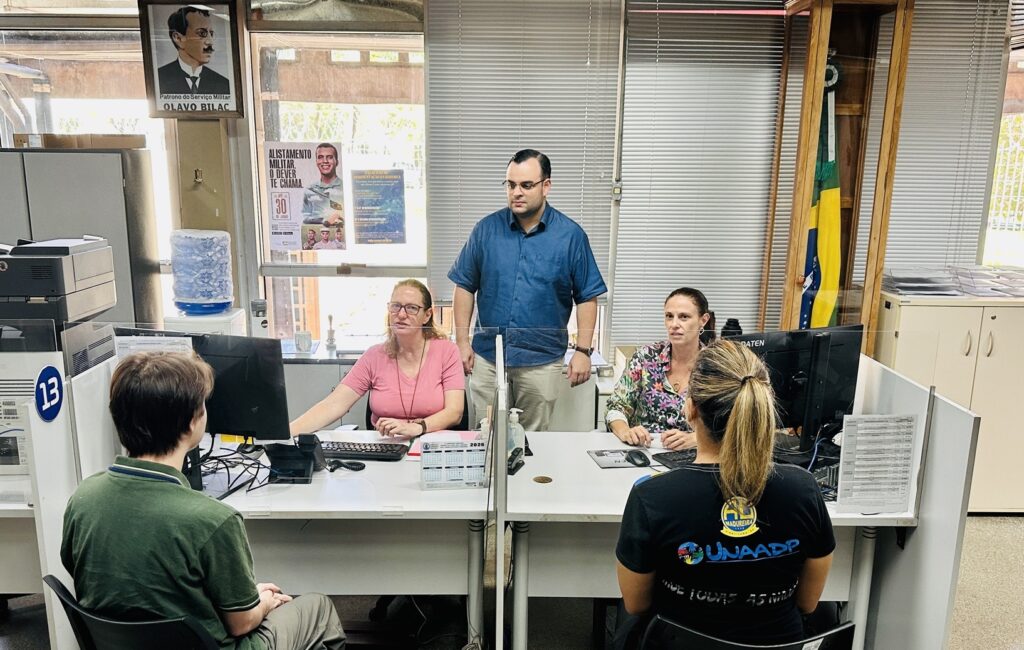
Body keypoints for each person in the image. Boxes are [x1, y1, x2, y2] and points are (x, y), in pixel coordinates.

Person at [60, 351, 345, 650]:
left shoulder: (83, 499)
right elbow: (241, 623)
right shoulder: (212, 519)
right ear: (191, 423)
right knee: (318, 608)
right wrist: (261, 602)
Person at [615, 341, 834, 645]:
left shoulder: (653, 497)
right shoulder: (803, 490)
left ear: (690, 407)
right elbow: (808, 604)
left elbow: (636, 604)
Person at [448, 149, 607, 432]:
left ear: (546, 186)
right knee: (485, 435)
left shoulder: (570, 236)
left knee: (533, 440)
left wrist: (583, 350)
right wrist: (462, 341)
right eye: (510, 185)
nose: (516, 193)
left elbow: (587, 297)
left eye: (526, 185)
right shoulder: (486, 230)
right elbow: (464, 286)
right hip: (489, 357)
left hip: (541, 360)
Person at [290, 279, 464, 437]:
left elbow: (455, 412)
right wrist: (285, 433)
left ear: (427, 315)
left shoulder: (447, 351)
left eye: (412, 308)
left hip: (432, 445)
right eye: (395, 306)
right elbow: (334, 404)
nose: (401, 315)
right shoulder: (374, 356)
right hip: (387, 446)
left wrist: (418, 427)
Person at [605, 287, 711, 450]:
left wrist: (697, 438)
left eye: (684, 317)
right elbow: (616, 407)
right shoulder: (646, 357)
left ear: (703, 320)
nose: (674, 324)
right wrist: (626, 431)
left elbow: (734, 423)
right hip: (643, 450)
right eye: (669, 316)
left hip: (694, 455)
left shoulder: (715, 365)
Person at [157, 6, 230, 95]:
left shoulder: (223, 84)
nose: (210, 42)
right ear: (178, 38)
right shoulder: (159, 78)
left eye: (211, 34)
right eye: (202, 33)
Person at [302, 143, 344, 226]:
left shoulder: (346, 188)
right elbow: (304, 218)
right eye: (320, 157)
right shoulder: (309, 190)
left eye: (330, 157)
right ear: (316, 161)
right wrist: (324, 220)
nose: (325, 161)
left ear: (337, 162)